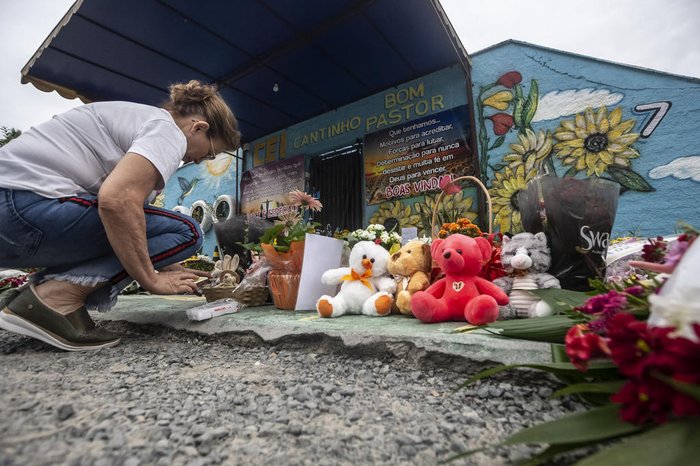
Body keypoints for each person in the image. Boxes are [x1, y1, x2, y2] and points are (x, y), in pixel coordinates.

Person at [0, 80, 241, 351]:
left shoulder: (140, 123)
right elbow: (117, 202)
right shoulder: (168, 131)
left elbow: (132, 217)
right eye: (208, 153)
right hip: (19, 208)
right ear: (198, 128)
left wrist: (167, 261)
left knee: (152, 226)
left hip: (16, 216)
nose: (199, 161)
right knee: (187, 231)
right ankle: (55, 298)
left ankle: (32, 299)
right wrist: (150, 278)